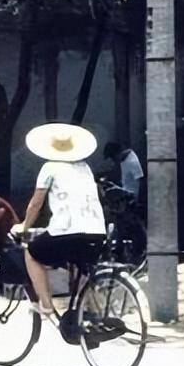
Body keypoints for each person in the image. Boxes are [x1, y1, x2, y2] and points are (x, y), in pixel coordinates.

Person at [16, 123, 106, 317]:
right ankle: (89, 313)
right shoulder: (86, 168)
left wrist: (25, 225)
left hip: (66, 232)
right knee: (80, 265)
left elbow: (36, 203)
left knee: (32, 253)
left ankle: (46, 305)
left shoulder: (50, 167)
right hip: (97, 231)